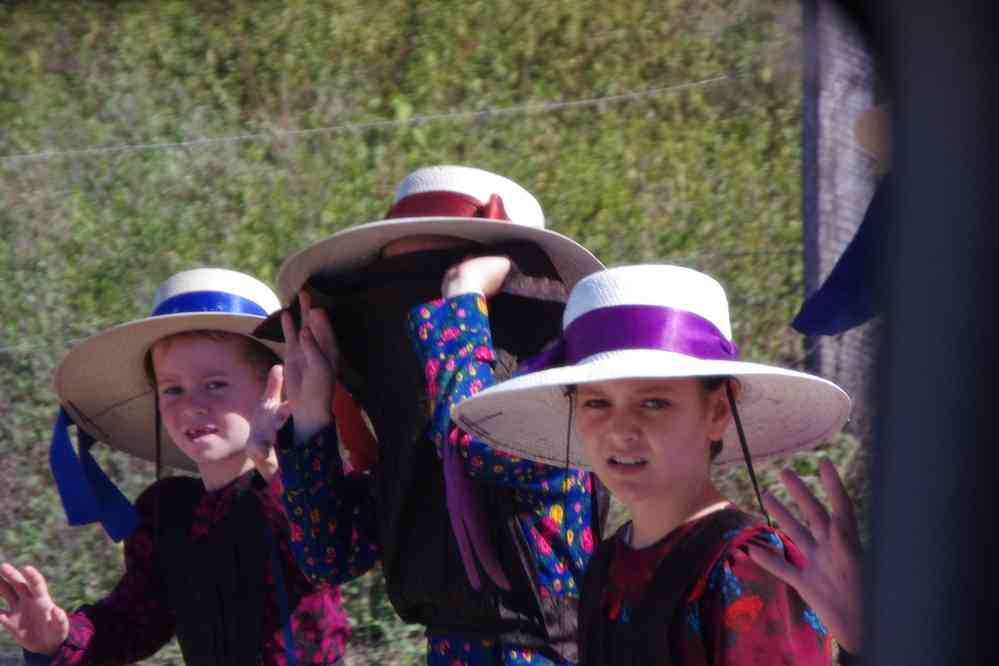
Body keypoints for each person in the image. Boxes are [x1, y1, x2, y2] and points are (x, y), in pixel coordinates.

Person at [257, 165, 607, 665]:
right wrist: (313, 412)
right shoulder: (413, 443)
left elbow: (478, 443)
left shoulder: (557, 423)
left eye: (438, 296)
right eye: (394, 301)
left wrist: (462, 297)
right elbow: (327, 556)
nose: (418, 324)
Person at [454, 263, 852, 665]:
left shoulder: (747, 567)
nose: (621, 429)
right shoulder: (608, 566)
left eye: (654, 403)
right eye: (597, 403)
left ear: (716, 410)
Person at [0, 268, 367, 665]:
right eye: (172, 389)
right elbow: (130, 624)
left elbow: (332, 553)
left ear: (275, 388)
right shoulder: (168, 513)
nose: (192, 405)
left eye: (215, 384)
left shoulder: (307, 489)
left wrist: (276, 466)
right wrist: (59, 638)